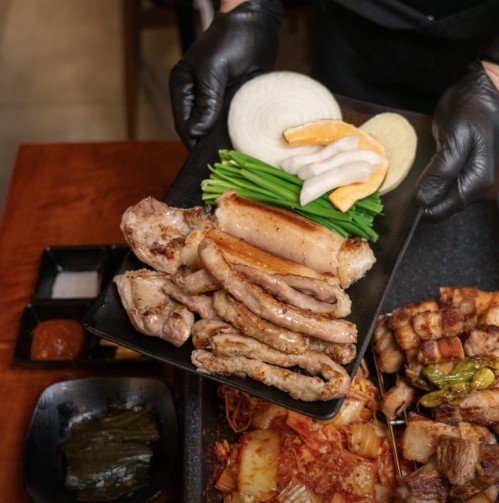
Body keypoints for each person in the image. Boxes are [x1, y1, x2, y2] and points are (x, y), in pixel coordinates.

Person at [169, 0, 499, 221]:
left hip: (483, 33)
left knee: (463, 186)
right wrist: (245, 7)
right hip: (354, 26)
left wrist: (495, 76)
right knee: (329, 150)